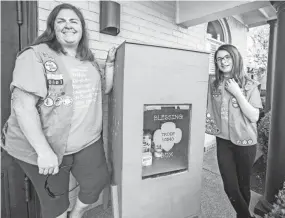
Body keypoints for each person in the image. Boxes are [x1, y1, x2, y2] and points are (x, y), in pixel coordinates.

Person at [1, 3, 116, 218]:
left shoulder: (88, 60)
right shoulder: (35, 55)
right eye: (61, 21)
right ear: (52, 27)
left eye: (74, 21)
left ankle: (77, 214)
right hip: (45, 144)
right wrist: (44, 152)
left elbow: (103, 90)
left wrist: (109, 66)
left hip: (87, 142)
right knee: (56, 203)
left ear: (82, 28)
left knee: (97, 180)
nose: (68, 25)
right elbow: (22, 105)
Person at [205, 44, 262, 218]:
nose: (223, 61)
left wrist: (238, 93)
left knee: (244, 186)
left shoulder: (249, 85)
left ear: (235, 58)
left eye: (227, 57)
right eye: (219, 58)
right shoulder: (213, 83)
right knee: (230, 186)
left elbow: (254, 116)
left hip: (246, 142)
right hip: (223, 141)